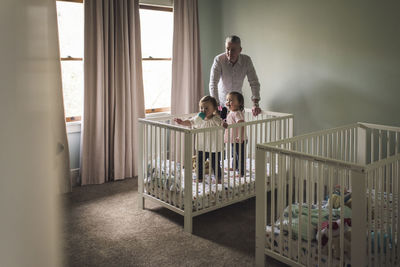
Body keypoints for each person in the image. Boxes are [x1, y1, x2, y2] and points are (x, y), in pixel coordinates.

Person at [174, 96, 223, 182]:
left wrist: (224, 124)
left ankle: (218, 178)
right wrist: (181, 122)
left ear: (214, 109)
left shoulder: (215, 119)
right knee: (199, 163)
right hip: (202, 146)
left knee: (215, 164)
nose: (203, 110)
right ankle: (199, 177)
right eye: (201, 107)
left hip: (214, 146)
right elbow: (190, 122)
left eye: (206, 108)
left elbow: (221, 123)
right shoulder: (198, 118)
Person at [209, 35, 262, 116]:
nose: (229, 53)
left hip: (238, 104)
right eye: (227, 49)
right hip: (221, 103)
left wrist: (255, 104)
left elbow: (254, 82)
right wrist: (216, 105)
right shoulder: (219, 60)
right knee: (222, 127)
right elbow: (213, 83)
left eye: (233, 50)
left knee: (238, 126)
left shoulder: (246, 61)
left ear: (240, 50)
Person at [224, 92, 246, 177]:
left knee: (239, 155)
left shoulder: (237, 113)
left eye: (231, 100)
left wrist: (240, 136)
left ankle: (241, 172)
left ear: (239, 103)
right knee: (234, 153)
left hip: (239, 138)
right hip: (234, 138)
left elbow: (241, 124)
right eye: (227, 100)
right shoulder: (230, 112)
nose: (228, 102)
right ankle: (234, 167)